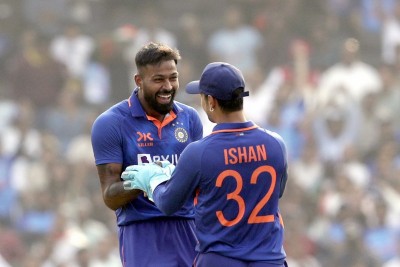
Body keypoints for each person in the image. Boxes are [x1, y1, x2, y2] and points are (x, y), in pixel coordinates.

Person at [122, 62, 289, 267]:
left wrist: (153, 180)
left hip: (220, 259)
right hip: (269, 260)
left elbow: (168, 203)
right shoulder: (276, 144)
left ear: (211, 101)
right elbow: (276, 192)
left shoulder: (199, 152)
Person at [91, 42, 203, 267]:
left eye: (173, 77)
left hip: (188, 228)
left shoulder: (190, 119)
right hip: (141, 231)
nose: (168, 86)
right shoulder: (111, 123)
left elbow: (201, 187)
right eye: (159, 80)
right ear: (139, 81)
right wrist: (144, 181)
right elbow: (110, 196)